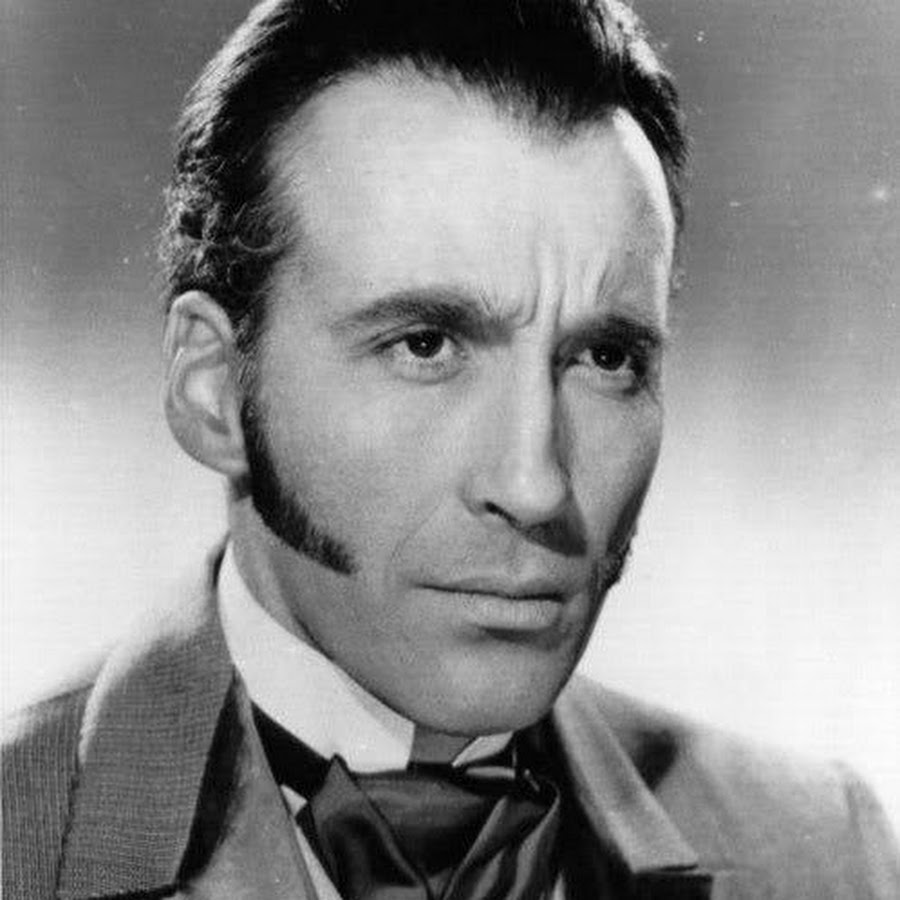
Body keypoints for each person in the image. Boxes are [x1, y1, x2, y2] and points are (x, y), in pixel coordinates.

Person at [3, 0, 899, 897]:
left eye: (605, 358)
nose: (535, 486)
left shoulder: (827, 852)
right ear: (214, 389)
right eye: (425, 345)